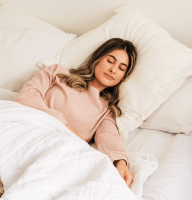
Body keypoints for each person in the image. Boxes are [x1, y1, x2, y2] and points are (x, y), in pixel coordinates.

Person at [15, 38, 137, 187]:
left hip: (56, 155)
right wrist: (65, 126)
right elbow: (26, 97)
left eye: (121, 68)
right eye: (110, 61)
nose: (113, 69)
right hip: (26, 132)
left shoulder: (106, 111)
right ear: (98, 58)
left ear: (123, 77)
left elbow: (109, 138)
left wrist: (121, 163)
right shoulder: (57, 73)